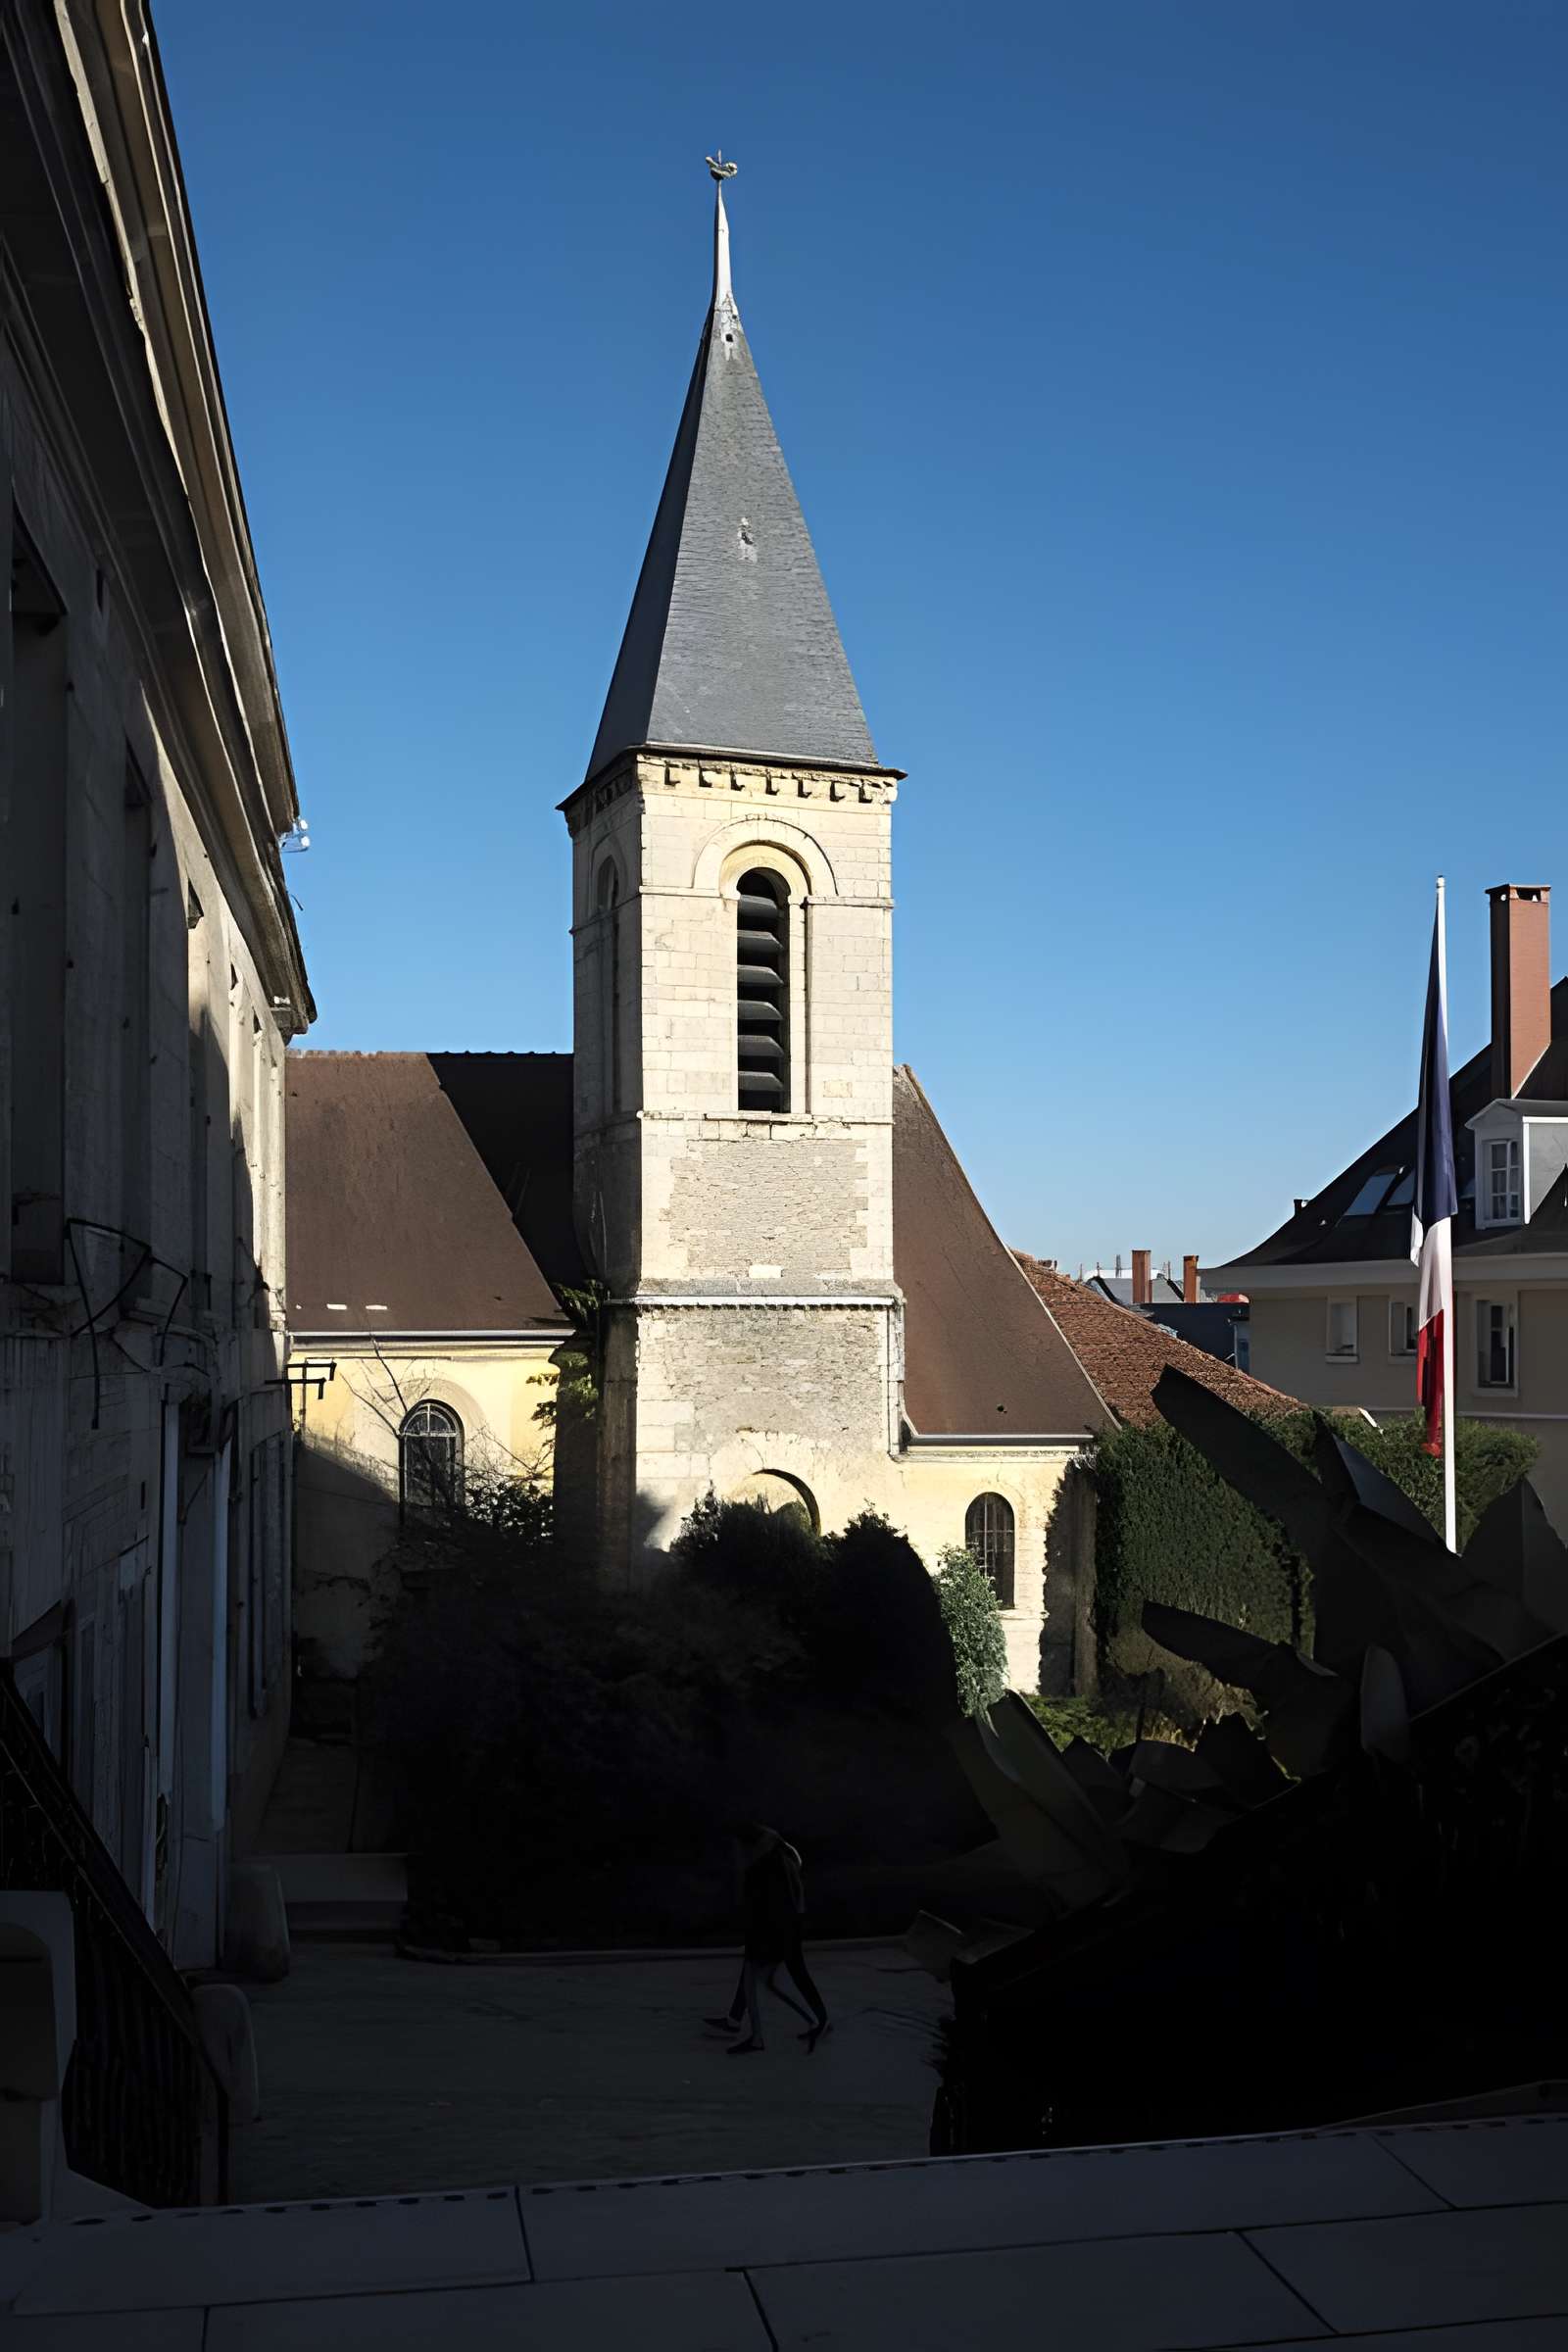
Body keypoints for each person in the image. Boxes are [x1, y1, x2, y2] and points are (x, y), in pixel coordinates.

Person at [705, 1822, 830, 2054]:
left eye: (737, 1848)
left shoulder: (764, 1865)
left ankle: (757, 2036)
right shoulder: (778, 1853)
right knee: (784, 1973)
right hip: (787, 1926)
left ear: (747, 1845)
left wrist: (757, 1941)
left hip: (779, 1929)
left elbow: (766, 1906)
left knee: (765, 1975)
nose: (735, 1854)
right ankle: (736, 2021)